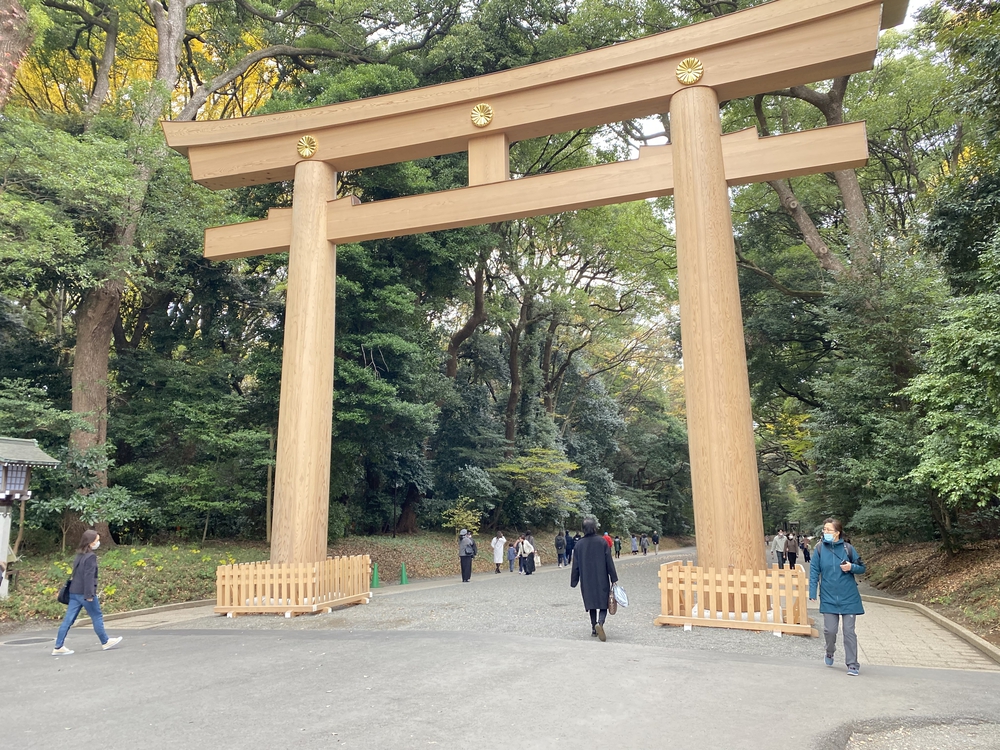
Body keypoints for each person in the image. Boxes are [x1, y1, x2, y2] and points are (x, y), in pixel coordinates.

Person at [809, 518, 866, 676]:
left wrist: (851, 567)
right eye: (824, 529)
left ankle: (852, 664)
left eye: (829, 530)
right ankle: (830, 651)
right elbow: (814, 571)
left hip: (849, 596)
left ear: (837, 533)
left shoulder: (848, 548)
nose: (825, 532)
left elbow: (862, 568)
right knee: (830, 630)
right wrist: (812, 592)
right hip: (828, 596)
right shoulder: (819, 549)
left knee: (849, 631)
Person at [52, 530, 123, 655]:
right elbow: (89, 577)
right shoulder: (91, 557)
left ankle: (58, 646)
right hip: (85, 593)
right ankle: (105, 641)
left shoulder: (79, 555)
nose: (98, 543)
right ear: (90, 542)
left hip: (74, 592)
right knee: (97, 616)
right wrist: (89, 594)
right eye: (96, 540)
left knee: (68, 620)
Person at [570, 517, 618, 641]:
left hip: (586, 579)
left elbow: (575, 565)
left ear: (583, 529)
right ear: (595, 527)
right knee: (603, 603)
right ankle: (600, 623)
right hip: (601, 577)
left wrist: (574, 580)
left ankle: (593, 628)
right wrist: (613, 577)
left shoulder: (579, 544)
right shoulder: (602, 542)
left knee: (591, 604)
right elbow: (609, 561)